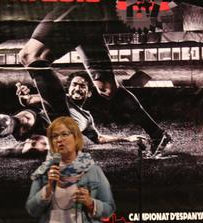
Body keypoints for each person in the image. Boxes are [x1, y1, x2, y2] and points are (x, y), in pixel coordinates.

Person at [18, 2, 172, 156]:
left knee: (32, 55)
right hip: (93, 14)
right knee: (107, 88)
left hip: (84, 7)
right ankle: (157, 134)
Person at [17, 71, 143, 145]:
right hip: (31, 124)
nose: (77, 88)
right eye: (75, 85)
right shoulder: (57, 98)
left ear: (89, 93)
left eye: (82, 86)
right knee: (23, 118)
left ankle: (16, 148)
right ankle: (9, 125)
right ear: (69, 88)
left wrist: (127, 138)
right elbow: (29, 100)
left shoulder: (86, 118)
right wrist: (23, 96)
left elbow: (99, 138)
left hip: (46, 139)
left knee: (42, 146)